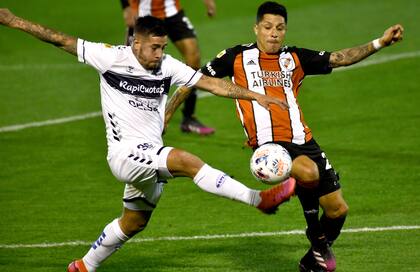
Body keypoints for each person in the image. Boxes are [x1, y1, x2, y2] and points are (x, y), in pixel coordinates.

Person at [0, 9, 297, 272]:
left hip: (148, 154)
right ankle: (258, 199)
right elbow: (59, 39)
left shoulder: (167, 65)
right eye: (154, 48)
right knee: (185, 160)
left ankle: (83, 266)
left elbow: (211, 84)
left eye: (163, 47)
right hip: (124, 154)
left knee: (134, 222)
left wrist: (255, 95)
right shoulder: (110, 57)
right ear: (136, 43)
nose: (159, 54)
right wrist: (14, 21)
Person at [165, 2, 404, 271]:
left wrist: (380, 42)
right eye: (267, 27)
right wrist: (166, 115)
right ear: (256, 28)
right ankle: (316, 236)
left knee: (338, 210)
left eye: (280, 28)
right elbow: (192, 79)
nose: (274, 33)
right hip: (269, 146)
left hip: (304, 139)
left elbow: (340, 57)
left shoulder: (295, 57)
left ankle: (311, 261)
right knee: (308, 172)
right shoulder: (236, 57)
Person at [120, 0, 217, 135]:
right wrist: (127, 7)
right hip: (143, 15)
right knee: (132, 65)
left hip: (172, 12)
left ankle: (189, 118)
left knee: (193, 59)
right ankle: (129, 118)